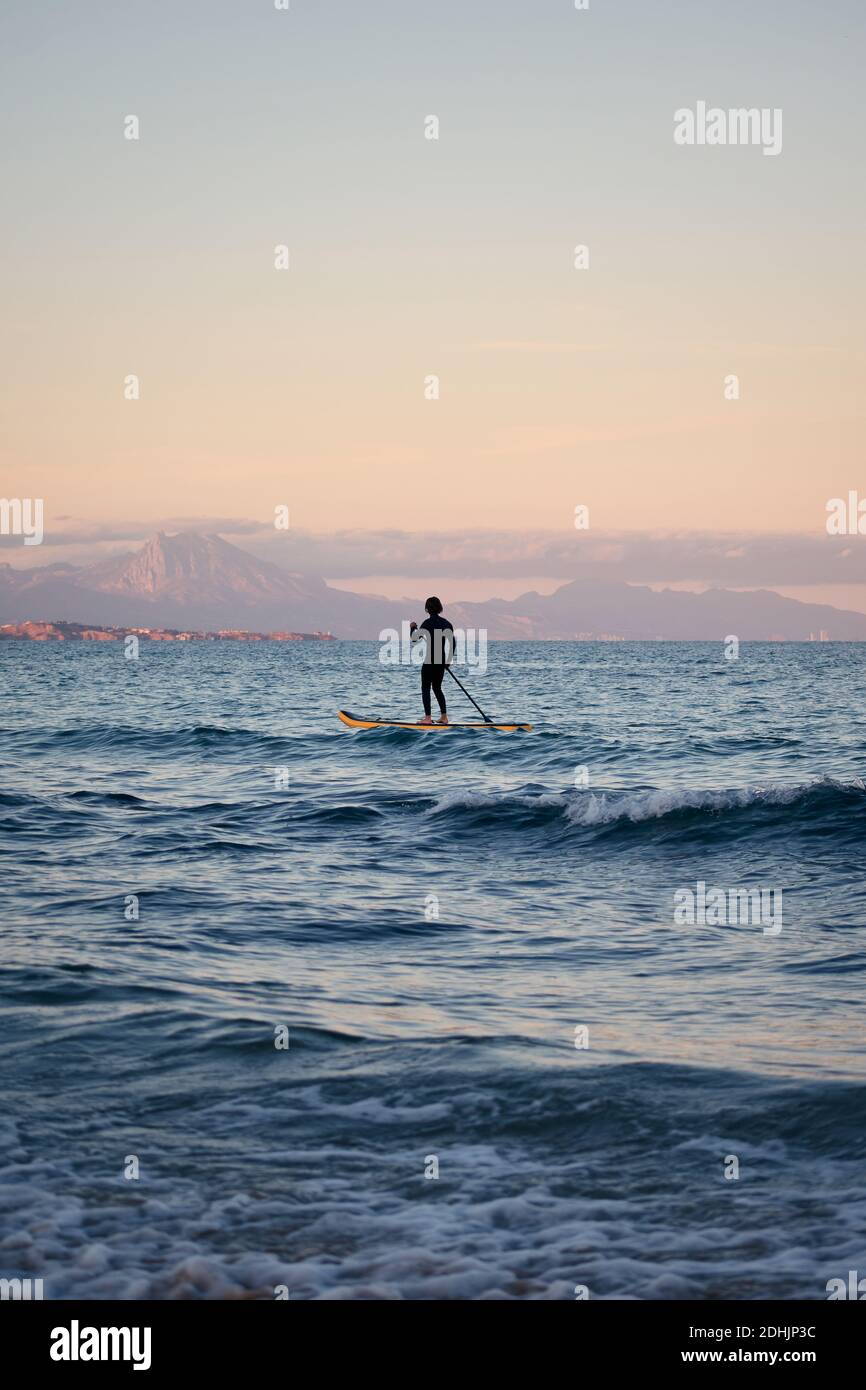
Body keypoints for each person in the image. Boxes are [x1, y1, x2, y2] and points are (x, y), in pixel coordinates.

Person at [409, 597, 455, 724]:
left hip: (429, 661)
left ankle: (428, 718)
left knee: (425, 688)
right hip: (441, 662)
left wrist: (412, 627)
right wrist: (449, 660)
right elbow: (453, 643)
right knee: (437, 688)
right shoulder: (447, 623)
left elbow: (414, 639)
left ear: (427, 609)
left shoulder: (426, 623)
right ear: (440, 608)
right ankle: (444, 717)